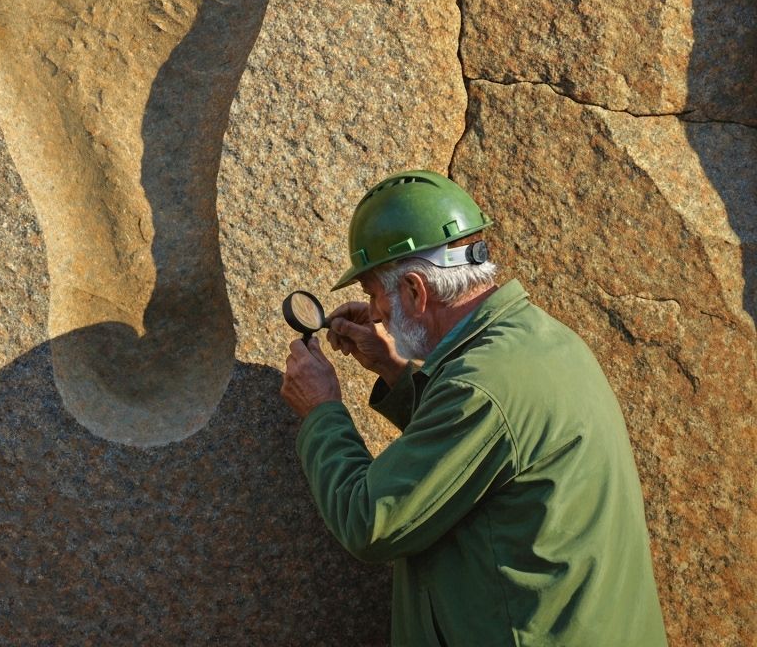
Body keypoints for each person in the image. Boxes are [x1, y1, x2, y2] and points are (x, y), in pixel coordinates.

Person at [280, 170, 667, 647]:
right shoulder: (536, 341)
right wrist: (397, 372)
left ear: (416, 292)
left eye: (374, 293)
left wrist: (322, 412)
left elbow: (369, 522)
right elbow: (485, 451)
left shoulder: (481, 387)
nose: (375, 312)